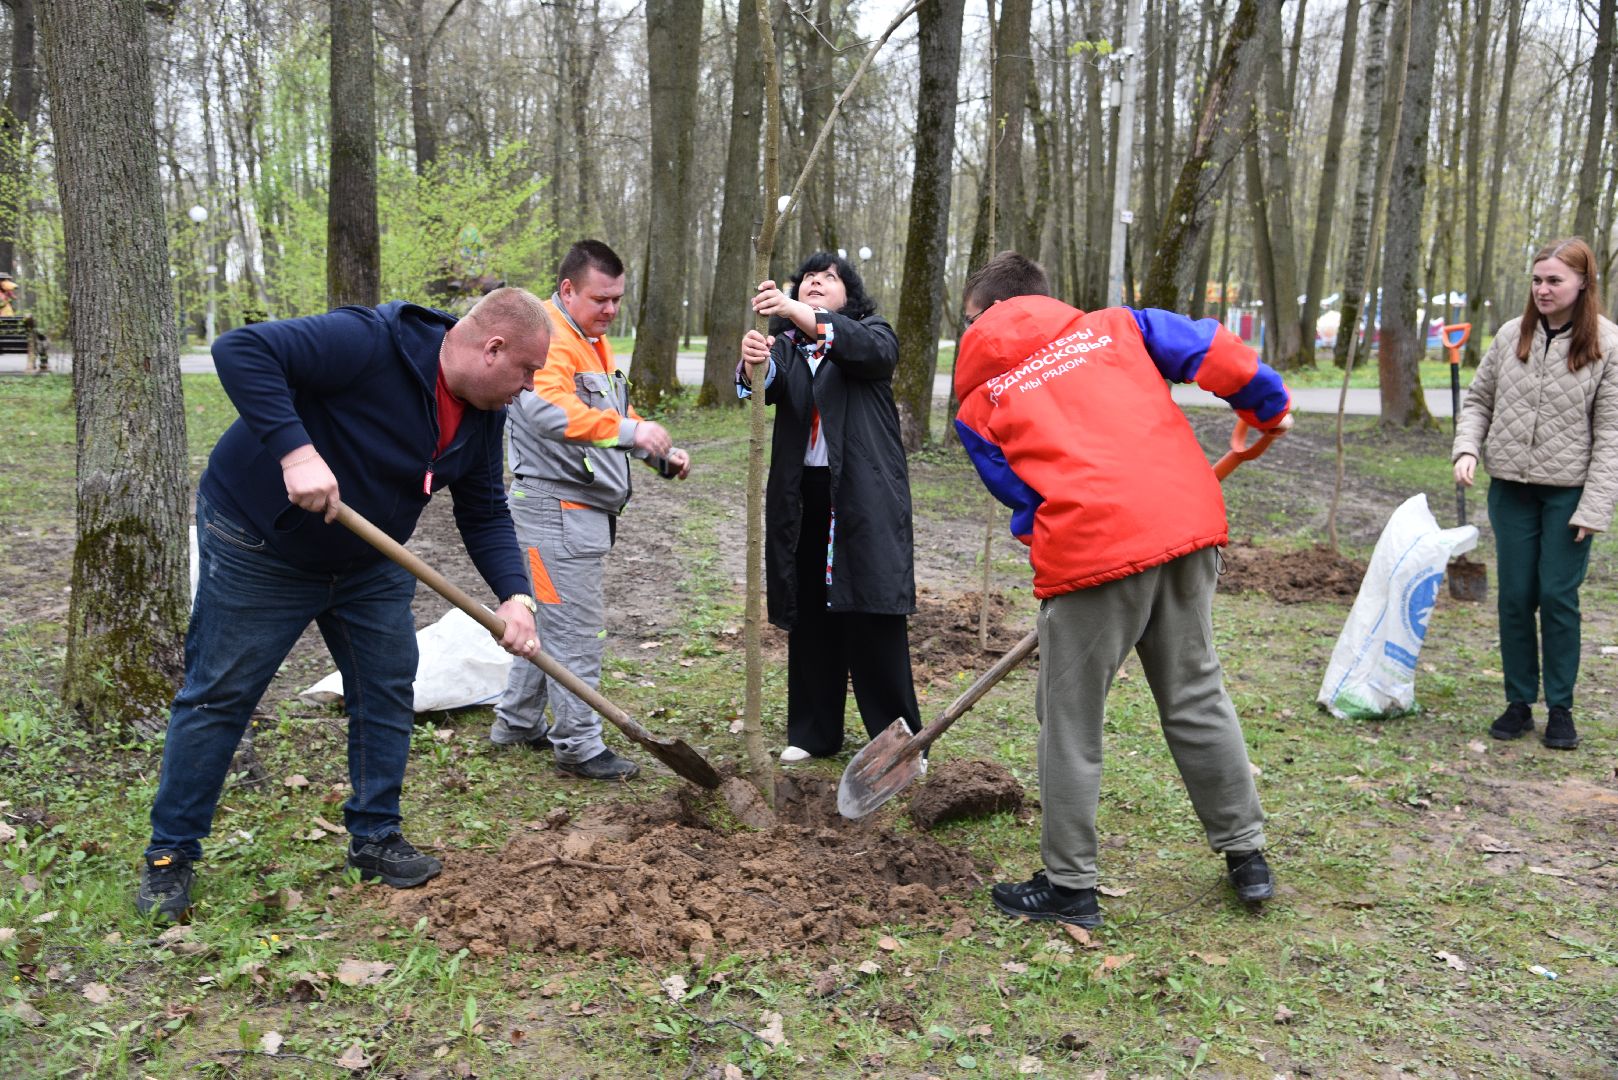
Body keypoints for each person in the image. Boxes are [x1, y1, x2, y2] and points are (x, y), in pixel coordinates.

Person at [136, 289, 549, 923]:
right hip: (260, 541)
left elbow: (486, 509)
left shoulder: (483, 412)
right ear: (492, 349)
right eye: (525, 371)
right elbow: (240, 349)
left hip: (368, 557)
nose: (527, 388)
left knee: (385, 687)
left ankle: (375, 836)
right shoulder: (369, 343)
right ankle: (170, 857)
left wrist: (515, 595)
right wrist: (296, 453)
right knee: (220, 695)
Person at [953, 252, 1293, 927]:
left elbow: (1016, 494)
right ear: (1046, 297)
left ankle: (1070, 887)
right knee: (1196, 692)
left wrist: (1061, 540)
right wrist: (1267, 403)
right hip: (1187, 522)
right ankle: (1247, 856)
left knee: (1070, 723)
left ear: (982, 313)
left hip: (1090, 545)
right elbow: (1211, 348)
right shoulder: (1118, 326)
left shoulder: (978, 398)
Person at [488, 240, 690, 779]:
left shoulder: (588, 340)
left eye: (618, 299)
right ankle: (578, 744)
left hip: (571, 512)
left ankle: (516, 722)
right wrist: (633, 432)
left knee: (550, 622)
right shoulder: (548, 338)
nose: (611, 310)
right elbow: (551, 413)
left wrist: (657, 453)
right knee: (573, 631)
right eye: (602, 299)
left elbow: (607, 417)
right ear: (568, 288)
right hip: (554, 514)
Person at [737, 251, 921, 763]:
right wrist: (754, 358)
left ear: (849, 296)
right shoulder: (789, 347)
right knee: (811, 612)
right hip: (803, 495)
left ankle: (902, 742)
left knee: (871, 610)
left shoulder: (870, 333)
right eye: (808, 279)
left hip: (862, 496)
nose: (816, 284)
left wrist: (798, 312)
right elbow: (759, 390)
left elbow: (871, 355)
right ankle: (813, 734)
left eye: (829, 279)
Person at [1454, 237, 1618, 752]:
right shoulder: (1510, 336)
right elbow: (1479, 400)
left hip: (1568, 496)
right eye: (1537, 279)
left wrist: (1594, 506)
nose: (1543, 289)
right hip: (1511, 491)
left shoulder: (1608, 345)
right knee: (1516, 596)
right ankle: (1520, 701)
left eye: (1555, 280)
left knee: (1556, 595)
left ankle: (1561, 708)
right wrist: (1467, 448)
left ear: (1583, 283)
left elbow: (1611, 435)